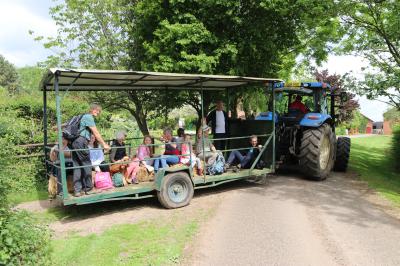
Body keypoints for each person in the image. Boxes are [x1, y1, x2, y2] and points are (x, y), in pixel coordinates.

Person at [70, 103, 110, 197]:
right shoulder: (88, 117)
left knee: (77, 166)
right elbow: (96, 132)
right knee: (87, 163)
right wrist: (104, 144)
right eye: (98, 111)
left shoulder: (82, 117)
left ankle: (77, 191)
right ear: (93, 110)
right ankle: (88, 188)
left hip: (75, 142)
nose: (98, 113)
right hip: (81, 142)